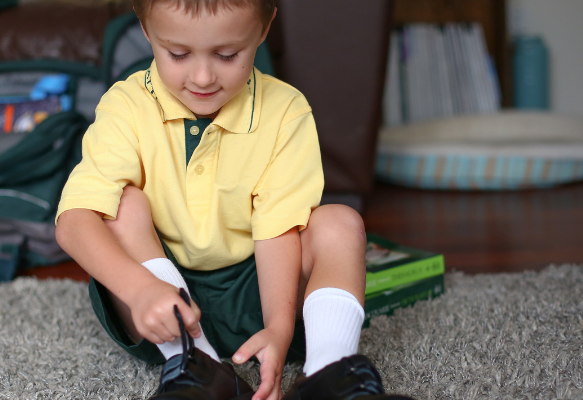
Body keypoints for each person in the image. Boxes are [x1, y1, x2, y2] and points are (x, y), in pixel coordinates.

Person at [55, 1, 413, 399]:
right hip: (158, 299)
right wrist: (140, 289)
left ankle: (329, 374)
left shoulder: (286, 111)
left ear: (263, 30)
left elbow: (278, 229)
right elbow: (74, 220)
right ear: (145, 29)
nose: (204, 76)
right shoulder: (125, 106)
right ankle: (194, 365)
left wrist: (279, 328)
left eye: (228, 55)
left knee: (340, 222)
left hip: (260, 290)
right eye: (178, 54)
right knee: (121, 206)